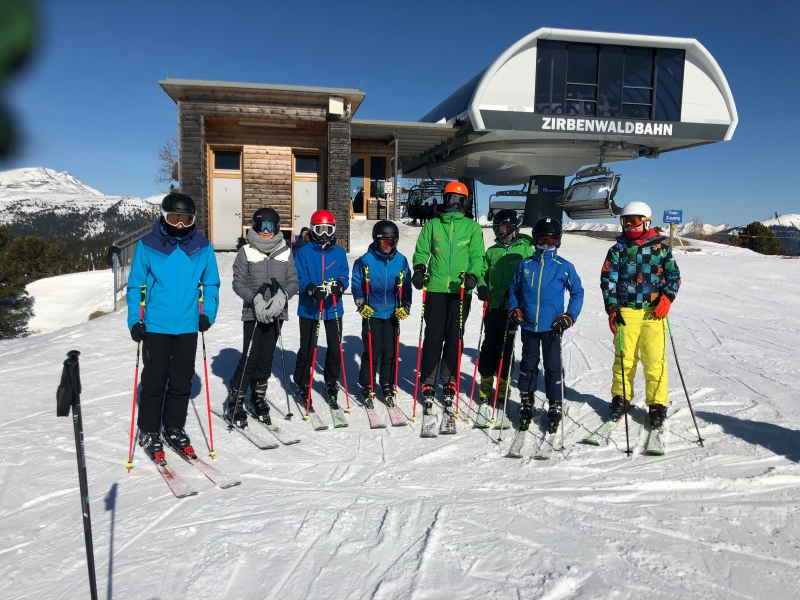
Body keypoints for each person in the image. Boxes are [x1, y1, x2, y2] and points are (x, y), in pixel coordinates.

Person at [127, 193, 220, 459]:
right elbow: (136, 285)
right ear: (163, 216)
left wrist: (208, 313)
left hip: (188, 325)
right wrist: (135, 320)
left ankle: (173, 427)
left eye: (186, 219)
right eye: (174, 218)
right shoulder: (148, 245)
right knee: (154, 381)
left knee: (181, 382)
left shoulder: (202, 246)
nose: (180, 224)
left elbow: (211, 283)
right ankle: (148, 430)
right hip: (156, 325)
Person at [601, 201, 681, 430]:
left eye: (633, 221)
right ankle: (621, 397)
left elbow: (674, 275)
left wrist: (667, 297)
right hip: (626, 311)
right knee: (624, 358)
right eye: (625, 221)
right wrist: (612, 309)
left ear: (646, 222)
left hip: (653, 312)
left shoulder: (660, 249)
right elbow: (608, 280)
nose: (629, 226)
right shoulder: (618, 250)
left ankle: (656, 403)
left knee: (654, 359)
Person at [411, 181, 486, 415]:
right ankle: (428, 379)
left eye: (458, 200)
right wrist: (419, 268)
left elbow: (478, 256)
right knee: (433, 336)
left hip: (460, 290)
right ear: (444, 199)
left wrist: (473, 275)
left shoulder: (472, 228)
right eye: (450, 199)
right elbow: (422, 251)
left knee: (455, 337)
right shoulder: (433, 225)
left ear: (465, 203)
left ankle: (450, 378)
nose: (454, 204)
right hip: (435, 288)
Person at [225, 207, 299, 427]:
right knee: (250, 357)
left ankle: (257, 397)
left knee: (266, 357)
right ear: (255, 226)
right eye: (261, 225)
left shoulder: (285, 251)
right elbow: (238, 282)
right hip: (253, 313)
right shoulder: (246, 251)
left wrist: (283, 296)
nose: (266, 231)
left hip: (276, 312)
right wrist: (255, 298)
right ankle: (236, 401)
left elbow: (294, 281)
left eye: (270, 226)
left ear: (277, 227)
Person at [509, 216, 583, 433]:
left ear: (558, 240)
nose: (546, 243)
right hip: (529, 325)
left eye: (551, 239)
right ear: (535, 239)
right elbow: (514, 290)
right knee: (528, 364)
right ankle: (526, 399)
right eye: (542, 239)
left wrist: (569, 316)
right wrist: (514, 308)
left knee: (552, 366)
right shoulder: (525, 265)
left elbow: (577, 292)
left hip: (552, 327)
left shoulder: (564, 267)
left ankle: (555, 402)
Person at [475, 209, 534, 407]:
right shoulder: (492, 251)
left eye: (507, 228)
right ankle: (485, 382)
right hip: (493, 305)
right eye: (499, 228)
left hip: (513, 307)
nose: (503, 232)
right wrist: (482, 286)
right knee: (489, 345)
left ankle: (503, 383)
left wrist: (521, 296)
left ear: (515, 228)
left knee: (506, 347)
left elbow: (531, 276)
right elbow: (482, 273)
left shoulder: (525, 250)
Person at [292, 209, 350, 410]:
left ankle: (331, 382)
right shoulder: (304, 252)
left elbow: (344, 275)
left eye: (328, 229)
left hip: (333, 307)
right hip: (310, 307)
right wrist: (310, 289)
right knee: (308, 348)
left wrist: (340, 286)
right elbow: (300, 276)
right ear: (312, 230)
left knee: (335, 348)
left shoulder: (339, 253)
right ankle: (301, 382)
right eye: (319, 229)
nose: (324, 234)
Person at [351, 220, 412, 407]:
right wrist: (360, 303)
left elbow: (406, 285)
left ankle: (387, 383)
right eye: (385, 242)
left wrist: (406, 305)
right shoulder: (365, 261)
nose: (389, 246)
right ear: (377, 240)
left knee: (390, 352)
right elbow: (356, 284)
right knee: (372, 351)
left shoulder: (401, 260)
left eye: (393, 242)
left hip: (392, 314)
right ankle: (367, 384)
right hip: (372, 313)